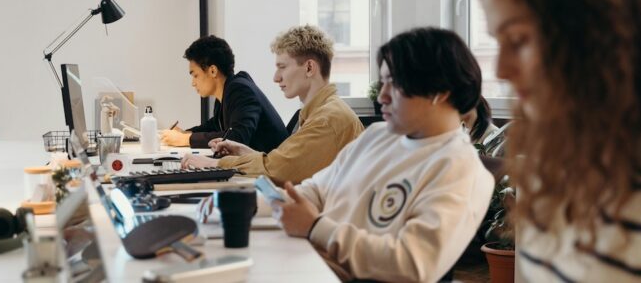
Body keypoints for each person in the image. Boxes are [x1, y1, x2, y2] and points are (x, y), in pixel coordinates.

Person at [198, 28, 493, 282]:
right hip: (312, 260)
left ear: (439, 92)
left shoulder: (460, 169)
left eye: (394, 83)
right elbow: (315, 191)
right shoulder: (378, 136)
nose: (382, 96)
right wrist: (247, 203)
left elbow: (413, 264)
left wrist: (316, 227)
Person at [476, 0, 641, 281]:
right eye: (497, 41)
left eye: (518, 40)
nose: (501, 70)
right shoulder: (549, 160)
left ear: (598, 34)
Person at [182, 25, 364, 185]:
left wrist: (215, 163)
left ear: (309, 68)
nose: (276, 77)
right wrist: (245, 153)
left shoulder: (327, 120)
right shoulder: (320, 112)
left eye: (282, 67)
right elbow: (284, 163)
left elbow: (277, 170)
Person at [160, 35, 288, 153]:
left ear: (213, 71)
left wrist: (185, 139)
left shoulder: (240, 89)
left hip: (271, 168)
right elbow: (215, 126)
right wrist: (186, 133)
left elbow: (237, 137)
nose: (193, 83)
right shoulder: (227, 91)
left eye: (195, 75)